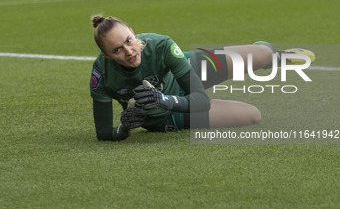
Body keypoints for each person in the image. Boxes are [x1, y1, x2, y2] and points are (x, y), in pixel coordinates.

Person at [89, 15, 315, 141]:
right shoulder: (102, 77)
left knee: (264, 54)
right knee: (252, 115)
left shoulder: (160, 44)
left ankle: (273, 60)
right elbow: (104, 132)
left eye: (129, 40)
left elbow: (201, 99)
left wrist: (163, 98)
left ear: (132, 31)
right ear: (106, 55)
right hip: (169, 117)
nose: (129, 51)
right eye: (117, 50)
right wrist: (124, 129)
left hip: (189, 68)